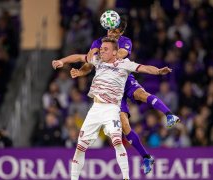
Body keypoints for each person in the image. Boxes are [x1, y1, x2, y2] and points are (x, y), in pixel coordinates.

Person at [70, 16, 180, 174]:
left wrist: (100, 55)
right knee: (125, 127)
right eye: (110, 30)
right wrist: (81, 70)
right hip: (111, 94)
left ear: (121, 32)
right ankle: (146, 157)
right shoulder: (97, 42)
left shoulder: (125, 41)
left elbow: (120, 54)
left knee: (142, 94)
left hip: (123, 79)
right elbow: (88, 63)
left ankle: (169, 115)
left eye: (115, 31)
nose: (112, 33)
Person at [52, 37, 172, 180]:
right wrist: (62, 61)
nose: (101, 51)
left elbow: (144, 68)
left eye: (105, 49)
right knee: (80, 147)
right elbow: (78, 57)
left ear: (115, 52)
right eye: (101, 49)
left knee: (117, 141)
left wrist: (158, 71)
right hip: (95, 109)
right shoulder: (98, 60)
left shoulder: (124, 64)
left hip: (111, 109)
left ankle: (126, 177)